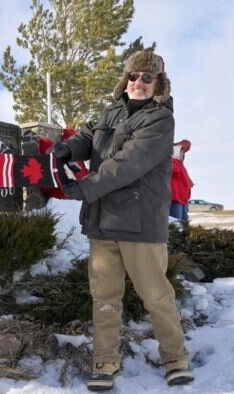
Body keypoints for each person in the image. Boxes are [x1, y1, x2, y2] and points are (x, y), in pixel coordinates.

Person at [53, 50, 194, 391]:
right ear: (126, 78)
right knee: (104, 296)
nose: (139, 83)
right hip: (103, 222)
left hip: (141, 225)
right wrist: (65, 150)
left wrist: (83, 188)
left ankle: (175, 359)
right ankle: (105, 361)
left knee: (156, 296)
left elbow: (129, 163)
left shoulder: (160, 120)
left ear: (159, 82)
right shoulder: (110, 112)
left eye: (148, 78)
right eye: (134, 76)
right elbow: (87, 138)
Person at [170, 139, 193, 220]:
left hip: (183, 200)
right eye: (181, 151)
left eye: (183, 152)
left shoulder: (180, 164)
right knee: (176, 225)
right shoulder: (171, 161)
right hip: (174, 199)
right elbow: (173, 171)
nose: (183, 154)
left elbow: (187, 143)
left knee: (184, 225)